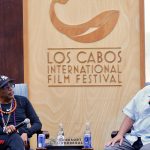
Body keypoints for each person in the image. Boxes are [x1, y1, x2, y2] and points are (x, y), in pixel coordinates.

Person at [0, 75, 42, 150]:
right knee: (15, 137)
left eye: (11, 85)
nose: (10, 88)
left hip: (21, 140)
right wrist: (5, 129)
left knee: (15, 140)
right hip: (2, 140)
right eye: (6, 87)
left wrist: (27, 133)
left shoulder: (23, 101)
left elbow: (37, 123)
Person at [104, 85, 150, 150]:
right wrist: (120, 134)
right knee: (110, 148)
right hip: (133, 138)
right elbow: (131, 115)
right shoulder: (146, 90)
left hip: (148, 141)